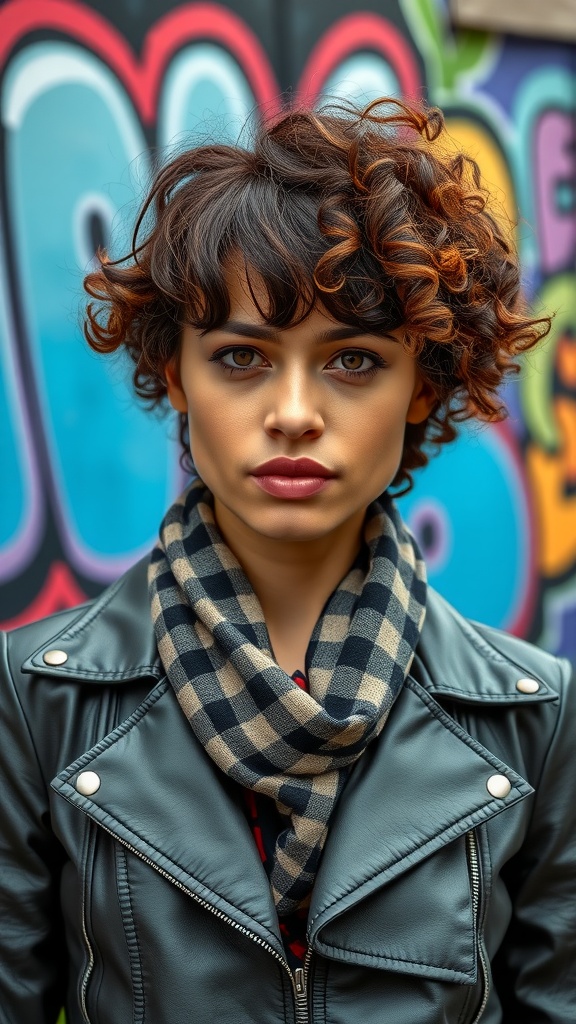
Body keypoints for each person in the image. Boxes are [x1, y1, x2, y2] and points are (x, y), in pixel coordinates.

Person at [0, 97, 574, 1024]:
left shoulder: (537, 718)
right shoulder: (35, 700)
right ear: (177, 373)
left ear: (422, 384)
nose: (295, 412)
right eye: (241, 357)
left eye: (352, 360)